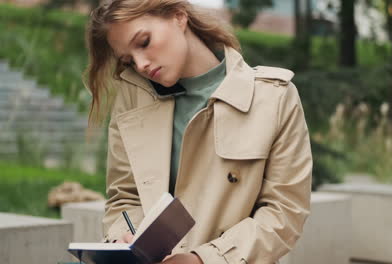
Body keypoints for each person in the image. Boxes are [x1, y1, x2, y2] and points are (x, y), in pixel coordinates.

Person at [85, 0, 313, 263]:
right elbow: (124, 198)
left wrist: (203, 259)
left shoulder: (272, 97)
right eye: (129, 60)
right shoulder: (133, 99)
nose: (141, 64)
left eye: (144, 42)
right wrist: (123, 239)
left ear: (178, 16)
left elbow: (283, 213)